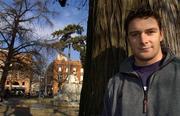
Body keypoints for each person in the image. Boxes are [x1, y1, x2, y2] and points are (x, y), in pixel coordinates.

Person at [102, 5, 180, 116]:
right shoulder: (115, 84)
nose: (143, 40)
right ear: (128, 39)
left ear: (161, 34)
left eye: (150, 32)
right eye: (135, 34)